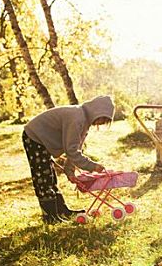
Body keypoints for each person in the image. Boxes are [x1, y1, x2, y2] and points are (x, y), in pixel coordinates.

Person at [22, 95, 115, 224]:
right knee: (43, 176)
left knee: (51, 176)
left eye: (105, 121)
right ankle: (50, 216)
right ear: (95, 111)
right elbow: (71, 150)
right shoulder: (77, 117)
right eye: (102, 118)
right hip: (35, 136)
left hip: (43, 140)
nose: (101, 122)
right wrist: (92, 166)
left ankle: (61, 210)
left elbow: (75, 148)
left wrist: (69, 171)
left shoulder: (84, 123)